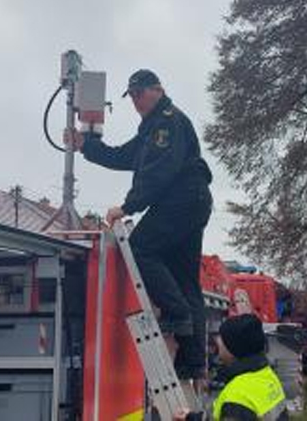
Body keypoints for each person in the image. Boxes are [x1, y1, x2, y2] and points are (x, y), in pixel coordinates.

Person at [64, 69, 213, 381]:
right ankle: (193, 360)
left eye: (139, 94)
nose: (135, 101)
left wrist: (127, 206)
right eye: (131, 96)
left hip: (182, 200)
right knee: (185, 281)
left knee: (141, 248)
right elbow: (123, 156)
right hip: (190, 201)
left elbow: (159, 171)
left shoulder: (166, 123)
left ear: (157, 90)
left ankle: (176, 313)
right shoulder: (152, 128)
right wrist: (86, 145)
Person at [175, 314, 288, 420]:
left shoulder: (236, 398)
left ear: (234, 349)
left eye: (221, 345)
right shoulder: (266, 375)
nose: (217, 351)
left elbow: (237, 410)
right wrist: (192, 418)